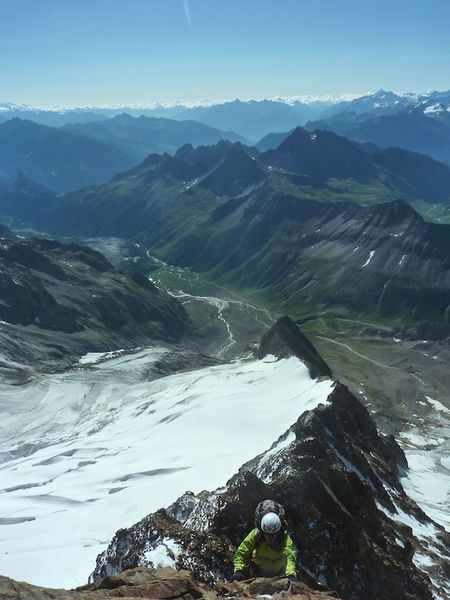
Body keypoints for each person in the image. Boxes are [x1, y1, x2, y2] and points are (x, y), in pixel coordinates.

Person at [232, 511, 297, 581]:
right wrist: (238, 570)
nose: (271, 538)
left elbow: (290, 557)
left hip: (279, 575)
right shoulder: (256, 535)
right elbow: (241, 552)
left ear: (278, 532)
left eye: (274, 534)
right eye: (268, 535)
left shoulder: (285, 539)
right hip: (257, 572)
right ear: (263, 532)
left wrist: (290, 574)